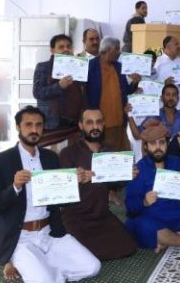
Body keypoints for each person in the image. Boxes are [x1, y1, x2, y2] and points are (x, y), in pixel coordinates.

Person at [0, 106, 101, 283]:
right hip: (20, 237)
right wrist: (14, 187)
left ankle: (42, 269)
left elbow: (63, 202)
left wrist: (74, 183)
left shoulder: (50, 158)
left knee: (92, 267)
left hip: (50, 233)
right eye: (28, 125)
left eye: (38, 125)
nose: (34, 130)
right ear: (18, 127)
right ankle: (21, 261)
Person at [58, 109, 137, 260]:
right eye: (89, 122)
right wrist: (75, 179)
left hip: (102, 215)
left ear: (104, 124)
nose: (95, 127)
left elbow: (115, 184)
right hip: (76, 217)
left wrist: (128, 175)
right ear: (81, 125)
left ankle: (85, 254)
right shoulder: (68, 153)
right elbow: (61, 190)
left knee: (129, 246)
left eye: (99, 122)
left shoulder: (110, 150)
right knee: (79, 249)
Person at [125, 124, 180, 252]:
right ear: (146, 147)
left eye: (162, 143)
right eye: (153, 143)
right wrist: (144, 201)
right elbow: (130, 206)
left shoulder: (175, 162)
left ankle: (166, 240)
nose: (158, 148)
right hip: (152, 219)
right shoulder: (138, 170)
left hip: (176, 216)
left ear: (167, 144)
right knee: (143, 226)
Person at [87, 37, 139, 152]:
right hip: (99, 123)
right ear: (108, 49)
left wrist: (135, 83)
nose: (119, 52)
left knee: (121, 154)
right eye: (116, 49)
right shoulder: (91, 67)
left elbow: (125, 91)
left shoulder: (119, 67)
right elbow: (85, 93)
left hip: (119, 123)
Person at [33, 34, 85, 147]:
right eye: (61, 47)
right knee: (52, 157)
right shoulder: (44, 67)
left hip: (74, 125)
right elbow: (38, 92)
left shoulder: (78, 66)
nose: (66, 49)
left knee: (69, 156)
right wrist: (59, 86)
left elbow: (83, 92)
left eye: (68, 46)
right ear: (52, 50)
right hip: (52, 124)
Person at [153, 36, 180, 111]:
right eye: (176, 44)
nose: (179, 47)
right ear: (168, 47)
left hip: (178, 106)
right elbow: (151, 84)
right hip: (162, 107)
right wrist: (164, 83)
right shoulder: (158, 62)